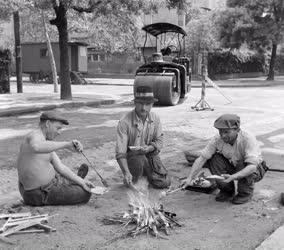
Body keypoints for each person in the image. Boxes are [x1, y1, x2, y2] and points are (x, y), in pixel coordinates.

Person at [181, 114, 268, 204]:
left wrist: (233, 177)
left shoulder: (248, 139)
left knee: (243, 163)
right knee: (213, 158)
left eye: (226, 132)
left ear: (237, 130)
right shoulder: (217, 139)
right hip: (234, 165)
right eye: (220, 132)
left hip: (255, 170)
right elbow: (201, 159)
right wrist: (189, 178)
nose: (222, 135)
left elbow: (252, 167)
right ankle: (227, 191)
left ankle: (245, 193)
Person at [17, 111, 94, 206]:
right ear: (48, 124)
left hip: (48, 185)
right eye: (58, 128)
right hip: (39, 193)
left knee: (70, 179)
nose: (59, 132)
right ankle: (72, 183)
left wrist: (82, 182)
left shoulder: (46, 142)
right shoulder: (35, 135)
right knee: (85, 194)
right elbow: (36, 146)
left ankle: (77, 180)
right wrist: (67, 144)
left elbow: (61, 168)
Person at [115, 85, 171, 189]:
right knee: (138, 161)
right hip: (133, 158)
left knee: (165, 182)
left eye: (147, 104)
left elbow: (159, 140)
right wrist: (126, 172)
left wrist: (150, 148)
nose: (143, 108)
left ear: (152, 104)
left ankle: (146, 178)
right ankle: (133, 177)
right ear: (135, 103)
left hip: (150, 155)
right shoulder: (124, 122)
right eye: (140, 103)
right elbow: (120, 154)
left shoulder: (155, 118)